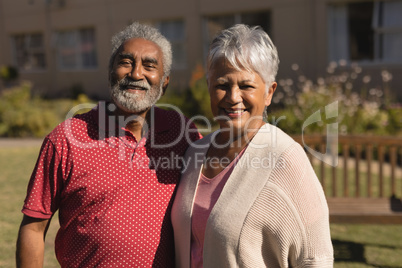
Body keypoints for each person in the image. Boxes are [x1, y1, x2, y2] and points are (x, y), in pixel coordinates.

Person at [16, 22, 201, 268]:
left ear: (164, 83)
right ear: (110, 71)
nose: (136, 74)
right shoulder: (67, 138)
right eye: (126, 62)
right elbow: (33, 229)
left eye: (149, 65)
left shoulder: (183, 133)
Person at [171, 24, 334, 267]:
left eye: (246, 86)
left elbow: (315, 259)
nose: (233, 97)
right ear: (209, 88)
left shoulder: (286, 159)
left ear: (269, 92)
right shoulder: (195, 152)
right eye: (222, 85)